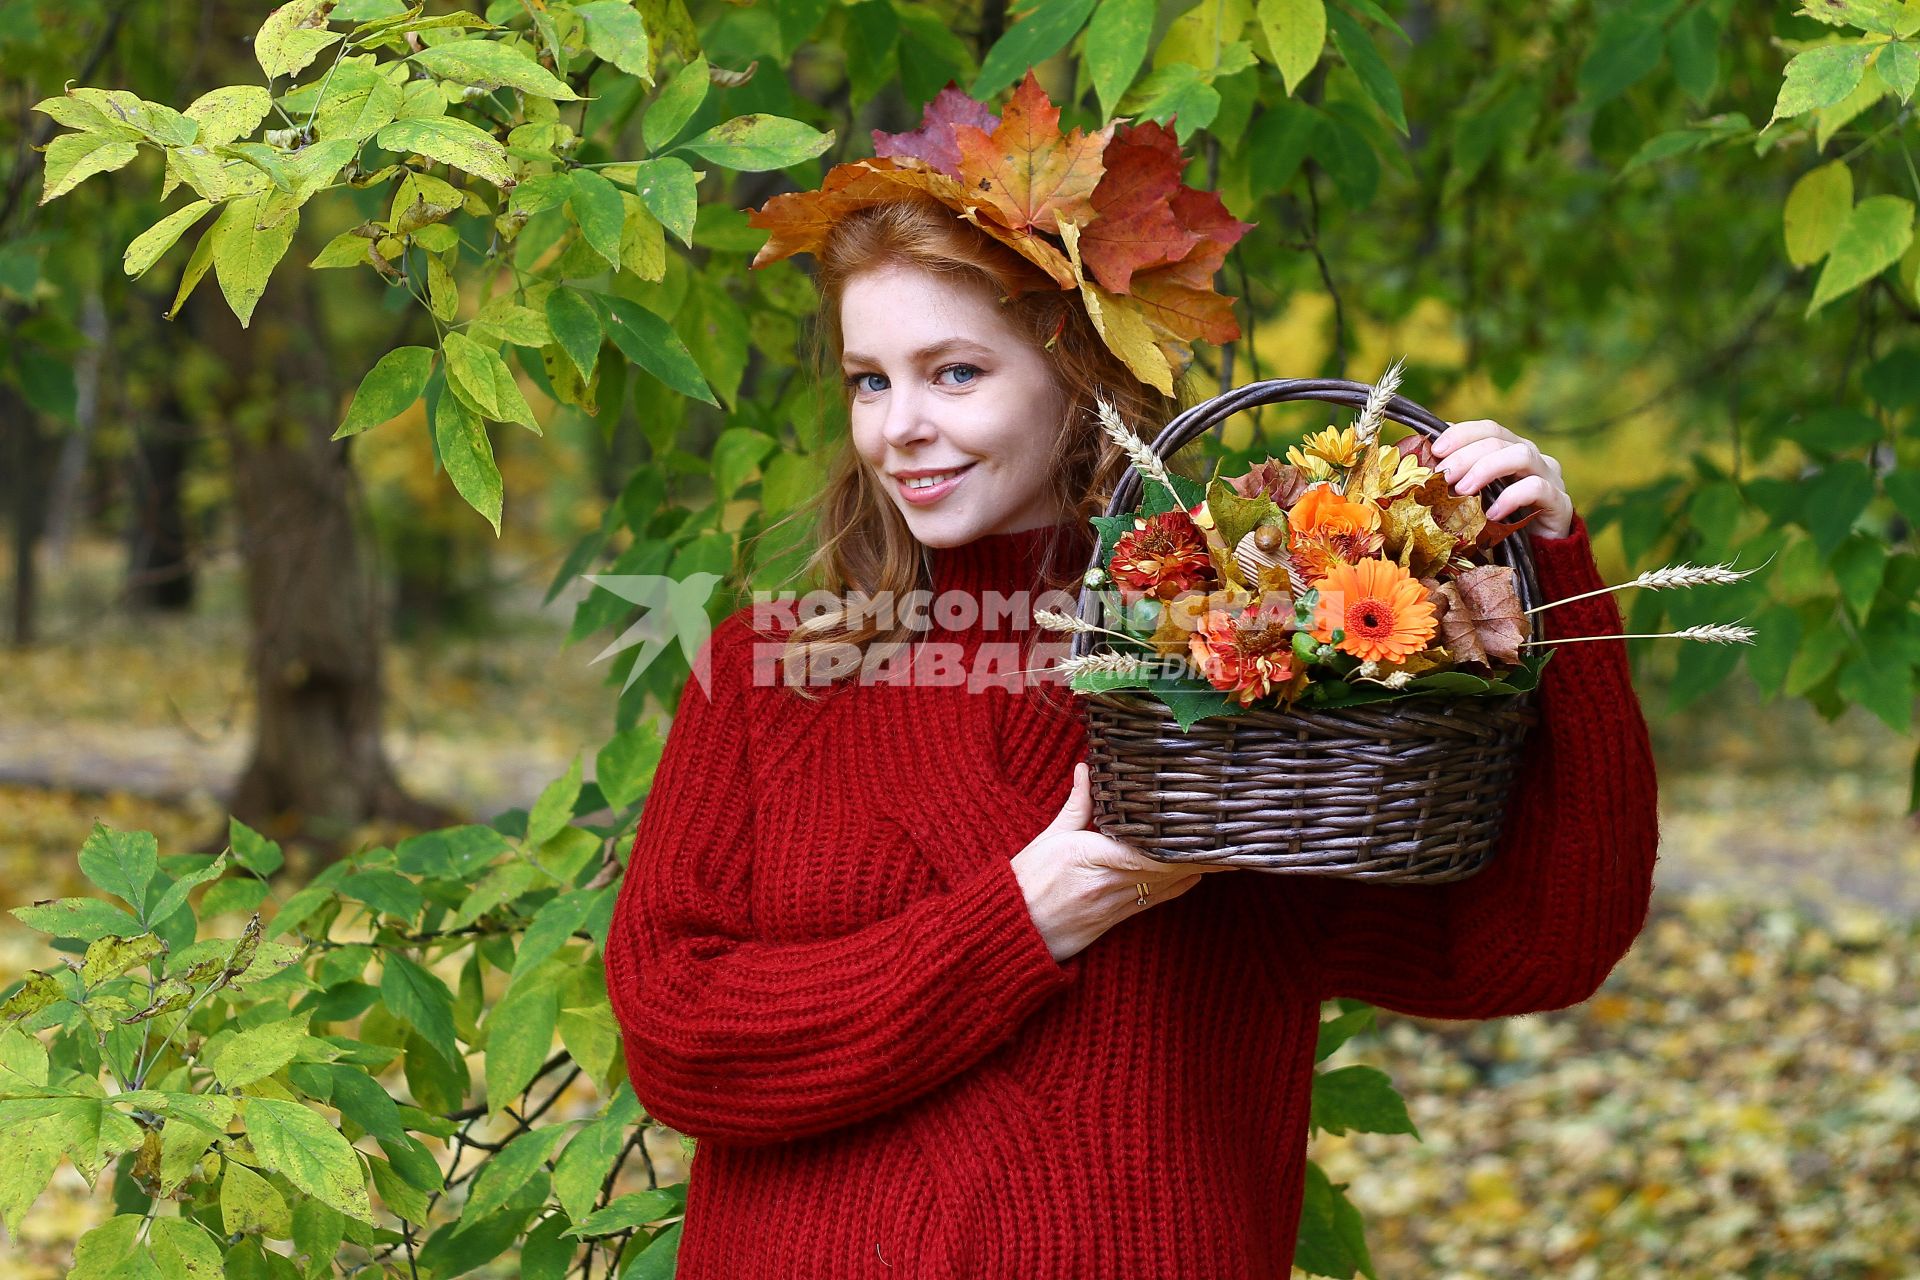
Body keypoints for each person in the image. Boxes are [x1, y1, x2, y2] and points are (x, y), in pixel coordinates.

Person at [602, 74, 1660, 1279]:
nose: (900, 424)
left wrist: (1548, 576)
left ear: (1080, 378)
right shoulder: (769, 675)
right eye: (869, 378)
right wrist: (1033, 913)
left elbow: (1534, 943)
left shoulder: (1236, 666)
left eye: (954, 372)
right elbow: (684, 1040)